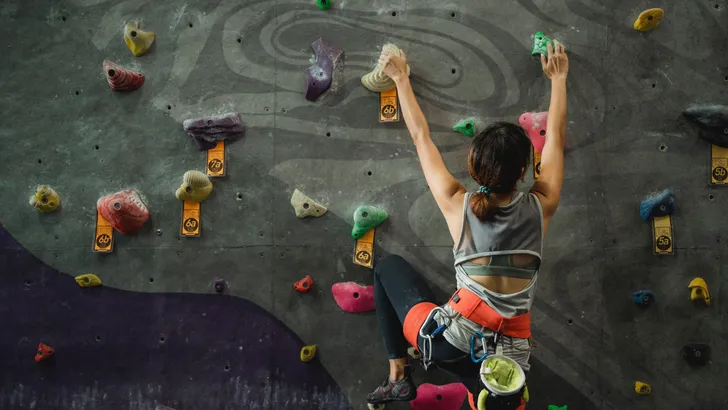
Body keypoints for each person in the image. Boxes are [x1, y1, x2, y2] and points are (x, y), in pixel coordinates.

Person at [366, 41, 569, 410]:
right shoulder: (542, 206)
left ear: (474, 165)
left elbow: (421, 137)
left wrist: (400, 78)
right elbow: (554, 137)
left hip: (450, 344)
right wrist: (558, 79)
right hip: (504, 367)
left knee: (386, 268)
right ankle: (478, 393)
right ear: (524, 170)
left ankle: (398, 375)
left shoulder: (457, 204)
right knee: (490, 396)